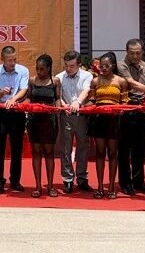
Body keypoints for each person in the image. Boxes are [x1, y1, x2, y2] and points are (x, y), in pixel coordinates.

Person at [86, 51, 128, 199]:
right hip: (99, 119)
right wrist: (85, 106)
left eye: (106, 66)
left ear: (113, 66)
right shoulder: (95, 81)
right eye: (101, 66)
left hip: (114, 121)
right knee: (99, 152)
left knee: (112, 154)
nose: (103, 68)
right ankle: (99, 187)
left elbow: (125, 102)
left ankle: (111, 187)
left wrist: (121, 110)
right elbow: (92, 100)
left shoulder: (121, 81)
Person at [116, 38, 145, 195]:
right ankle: (125, 182)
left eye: (138, 53)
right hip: (126, 110)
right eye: (132, 53)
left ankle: (139, 181)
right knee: (124, 148)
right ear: (126, 52)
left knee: (140, 148)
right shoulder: (121, 65)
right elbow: (130, 82)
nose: (135, 56)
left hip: (142, 110)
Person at [0, 46, 30, 194]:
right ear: (3, 60)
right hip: (0, 111)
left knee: (16, 148)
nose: (13, 62)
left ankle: (15, 180)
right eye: (9, 60)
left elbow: (24, 89)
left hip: (16, 111)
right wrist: (2, 92)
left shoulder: (23, 70)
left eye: (14, 59)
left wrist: (13, 99)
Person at [56, 50, 94, 193]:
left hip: (82, 114)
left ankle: (82, 178)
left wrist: (78, 102)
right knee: (65, 148)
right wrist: (64, 105)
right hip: (66, 115)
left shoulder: (87, 75)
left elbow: (86, 90)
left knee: (83, 147)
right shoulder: (59, 77)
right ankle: (67, 180)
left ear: (79, 65)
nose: (68, 68)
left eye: (72, 66)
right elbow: (57, 95)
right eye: (66, 65)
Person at [26, 54, 63, 198]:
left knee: (49, 153)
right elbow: (29, 97)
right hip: (34, 120)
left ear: (48, 68)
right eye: (37, 69)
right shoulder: (32, 81)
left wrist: (58, 110)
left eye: (42, 69)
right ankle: (37, 186)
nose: (39, 72)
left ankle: (51, 186)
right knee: (36, 153)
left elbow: (58, 98)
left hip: (49, 121)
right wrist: (26, 107)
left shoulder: (55, 81)